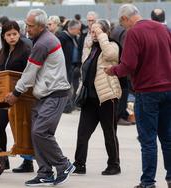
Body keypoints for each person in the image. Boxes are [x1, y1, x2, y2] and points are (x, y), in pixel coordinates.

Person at [5, 9, 75, 186]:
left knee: (40, 132)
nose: (26, 29)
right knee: (37, 134)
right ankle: (45, 172)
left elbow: (29, 73)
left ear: (41, 26)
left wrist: (15, 93)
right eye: (26, 25)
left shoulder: (43, 43)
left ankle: (63, 164)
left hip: (54, 94)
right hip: (45, 94)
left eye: (30, 26)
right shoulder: (42, 39)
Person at [104, 4, 171, 188]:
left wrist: (112, 70)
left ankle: (148, 182)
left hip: (148, 92)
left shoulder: (134, 33)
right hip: (168, 90)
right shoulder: (163, 29)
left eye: (122, 23)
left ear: (126, 19)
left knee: (148, 139)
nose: (123, 27)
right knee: (167, 137)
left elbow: (129, 65)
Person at [73, 19, 122, 176]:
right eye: (92, 31)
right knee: (82, 134)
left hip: (106, 97)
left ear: (106, 32)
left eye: (97, 31)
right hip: (90, 99)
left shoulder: (112, 45)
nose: (94, 34)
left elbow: (111, 55)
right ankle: (79, 164)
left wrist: (102, 37)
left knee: (109, 132)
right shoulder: (91, 48)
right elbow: (84, 69)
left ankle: (114, 164)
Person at [0, 21, 33, 173]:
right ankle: (3, 159)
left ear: (19, 33)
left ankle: (28, 162)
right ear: (4, 36)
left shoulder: (26, 49)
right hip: (5, 96)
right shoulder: (3, 52)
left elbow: (30, 72)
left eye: (15, 34)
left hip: (22, 95)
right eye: (9, 35)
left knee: (21, 127)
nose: (12, 37)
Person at [57, 19, 82, 113]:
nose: (79, 31)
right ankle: (66, 106)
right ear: (73, 28)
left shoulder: (74, 37)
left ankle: (70, 105)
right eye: (78, 29)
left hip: (72, 66)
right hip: (65, 67)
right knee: (65, 86)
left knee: (71, 86)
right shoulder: (62, 37)